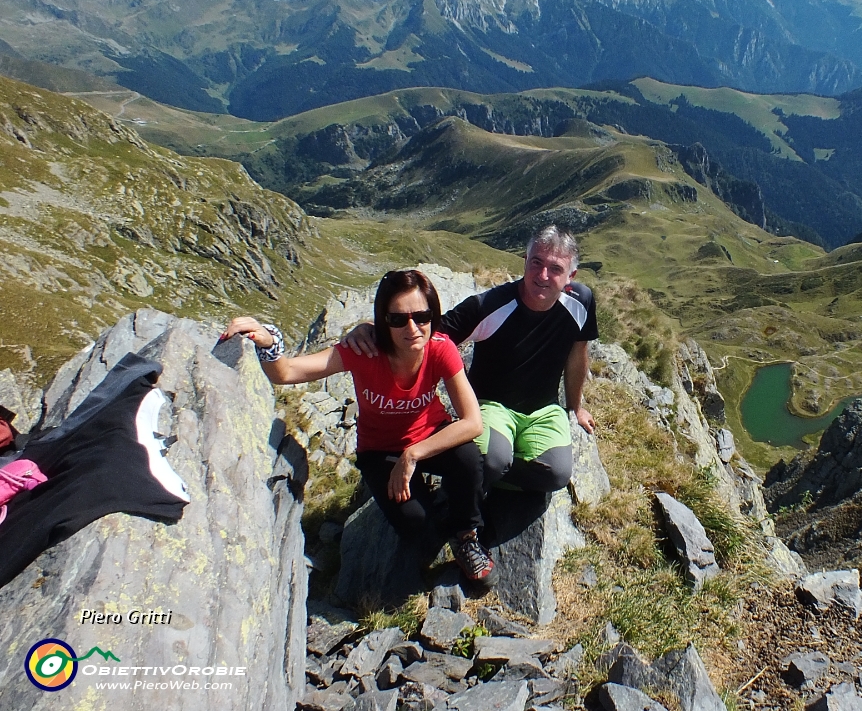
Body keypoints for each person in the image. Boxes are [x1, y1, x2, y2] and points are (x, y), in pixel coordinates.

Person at [220, 269, 494, 582]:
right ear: (383, 321)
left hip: (427, 437)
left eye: (422, 316)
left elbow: (473, 422)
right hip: (380, 452)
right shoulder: (364, 351)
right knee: (419, 529)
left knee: (470, 458)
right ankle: (433, 509)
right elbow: (286, 373)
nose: (412, 328)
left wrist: (412, 455)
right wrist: (268, 339)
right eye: (397, 320)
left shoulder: (440, 348)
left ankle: (467, 535)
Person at [344, 225, 598, 496]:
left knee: (556, 474)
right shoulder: (489, 305)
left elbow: (577, 352)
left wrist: (576, 407)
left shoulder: (581, 301)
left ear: (571, 275)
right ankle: (473, 476)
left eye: (555, 268)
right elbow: (426, 333)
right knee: (491, 461)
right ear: (524, 260)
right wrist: (375, 328)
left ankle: (473, 476)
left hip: (543, 410)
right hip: (491, 406)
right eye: (536, 262)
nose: (543, 275)